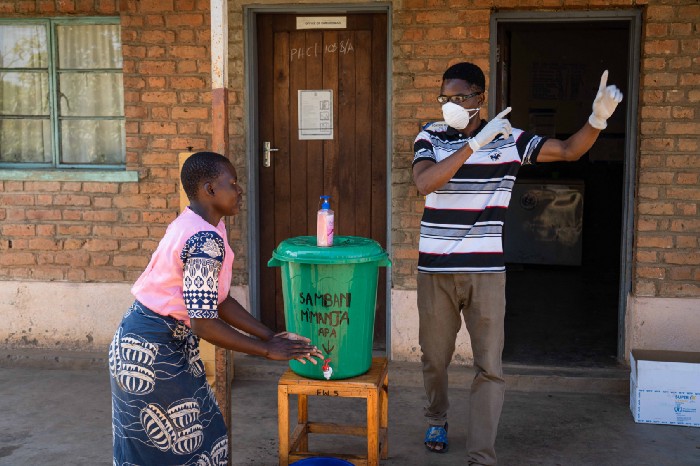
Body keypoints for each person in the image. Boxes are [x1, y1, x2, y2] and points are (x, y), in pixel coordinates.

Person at [412, 63, 623, 464]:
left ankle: (481, 454)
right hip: (435, 269)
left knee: (489, 366)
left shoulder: (508, 138)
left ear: (479, 98)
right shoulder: (431, 135)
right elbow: (425, 183)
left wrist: (597, 119)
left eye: (459, 98)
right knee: (433, 358)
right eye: (445, 98)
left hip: (486, 272)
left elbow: (568, 150)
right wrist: (472, 146)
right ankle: (436, 416)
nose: (450, 106)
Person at [109, 151, 323, 465]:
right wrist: (266, 351)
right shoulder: (203, 240)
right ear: (210, 189)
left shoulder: (205, 227)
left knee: (198, 439)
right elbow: (204, 323)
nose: (240, 191)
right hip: (151, 354)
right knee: (192, 446)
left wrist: (270, 336)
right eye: (232, 183)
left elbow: (218, 301)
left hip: (156, 341)